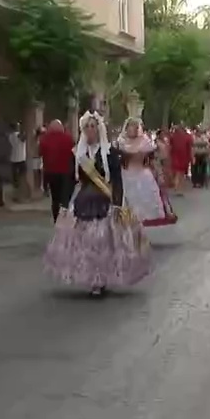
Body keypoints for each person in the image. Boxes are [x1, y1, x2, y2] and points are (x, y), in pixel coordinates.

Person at [44, 111, 151, 296]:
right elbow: (70, 179)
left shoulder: (109, 152)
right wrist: (63, 203)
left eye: (93, 126)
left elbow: (117, 180)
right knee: (85, 242)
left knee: (103, 241)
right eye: (87, 127)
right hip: (84, 199)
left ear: (99, 129)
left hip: (105, 200)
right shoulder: (78, 153)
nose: (90, 130)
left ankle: (101, 278)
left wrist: (117, 203)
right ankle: (92, 277)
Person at [118, 117, 180, 230]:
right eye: (130, 126)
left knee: (145, 202)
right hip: (126, 175)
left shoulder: (144, 141)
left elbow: (154, 158)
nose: (133, 129)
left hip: (142, 175)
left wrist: (159, 174)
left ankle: (140, 230)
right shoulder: (121, 142)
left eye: (135, 126)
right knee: (129, 202)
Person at [38, 119, 75, 223]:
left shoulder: (44, 139)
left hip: (50, 172)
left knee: (55, 198)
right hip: (65, 172)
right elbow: (73, 152)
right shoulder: (68, 138)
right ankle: (64, 217)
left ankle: (56, 219)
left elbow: (40, 152)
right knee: (64, 197)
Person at [168, 124, 193, 190]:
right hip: (183, 156)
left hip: (176, 155)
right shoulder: (188, 136)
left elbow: (170, 146)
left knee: (177, 171)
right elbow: (190, 147)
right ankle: (179, 187)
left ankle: (177, 185)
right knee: (181, 172)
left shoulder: (173, 136)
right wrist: (191, 157)